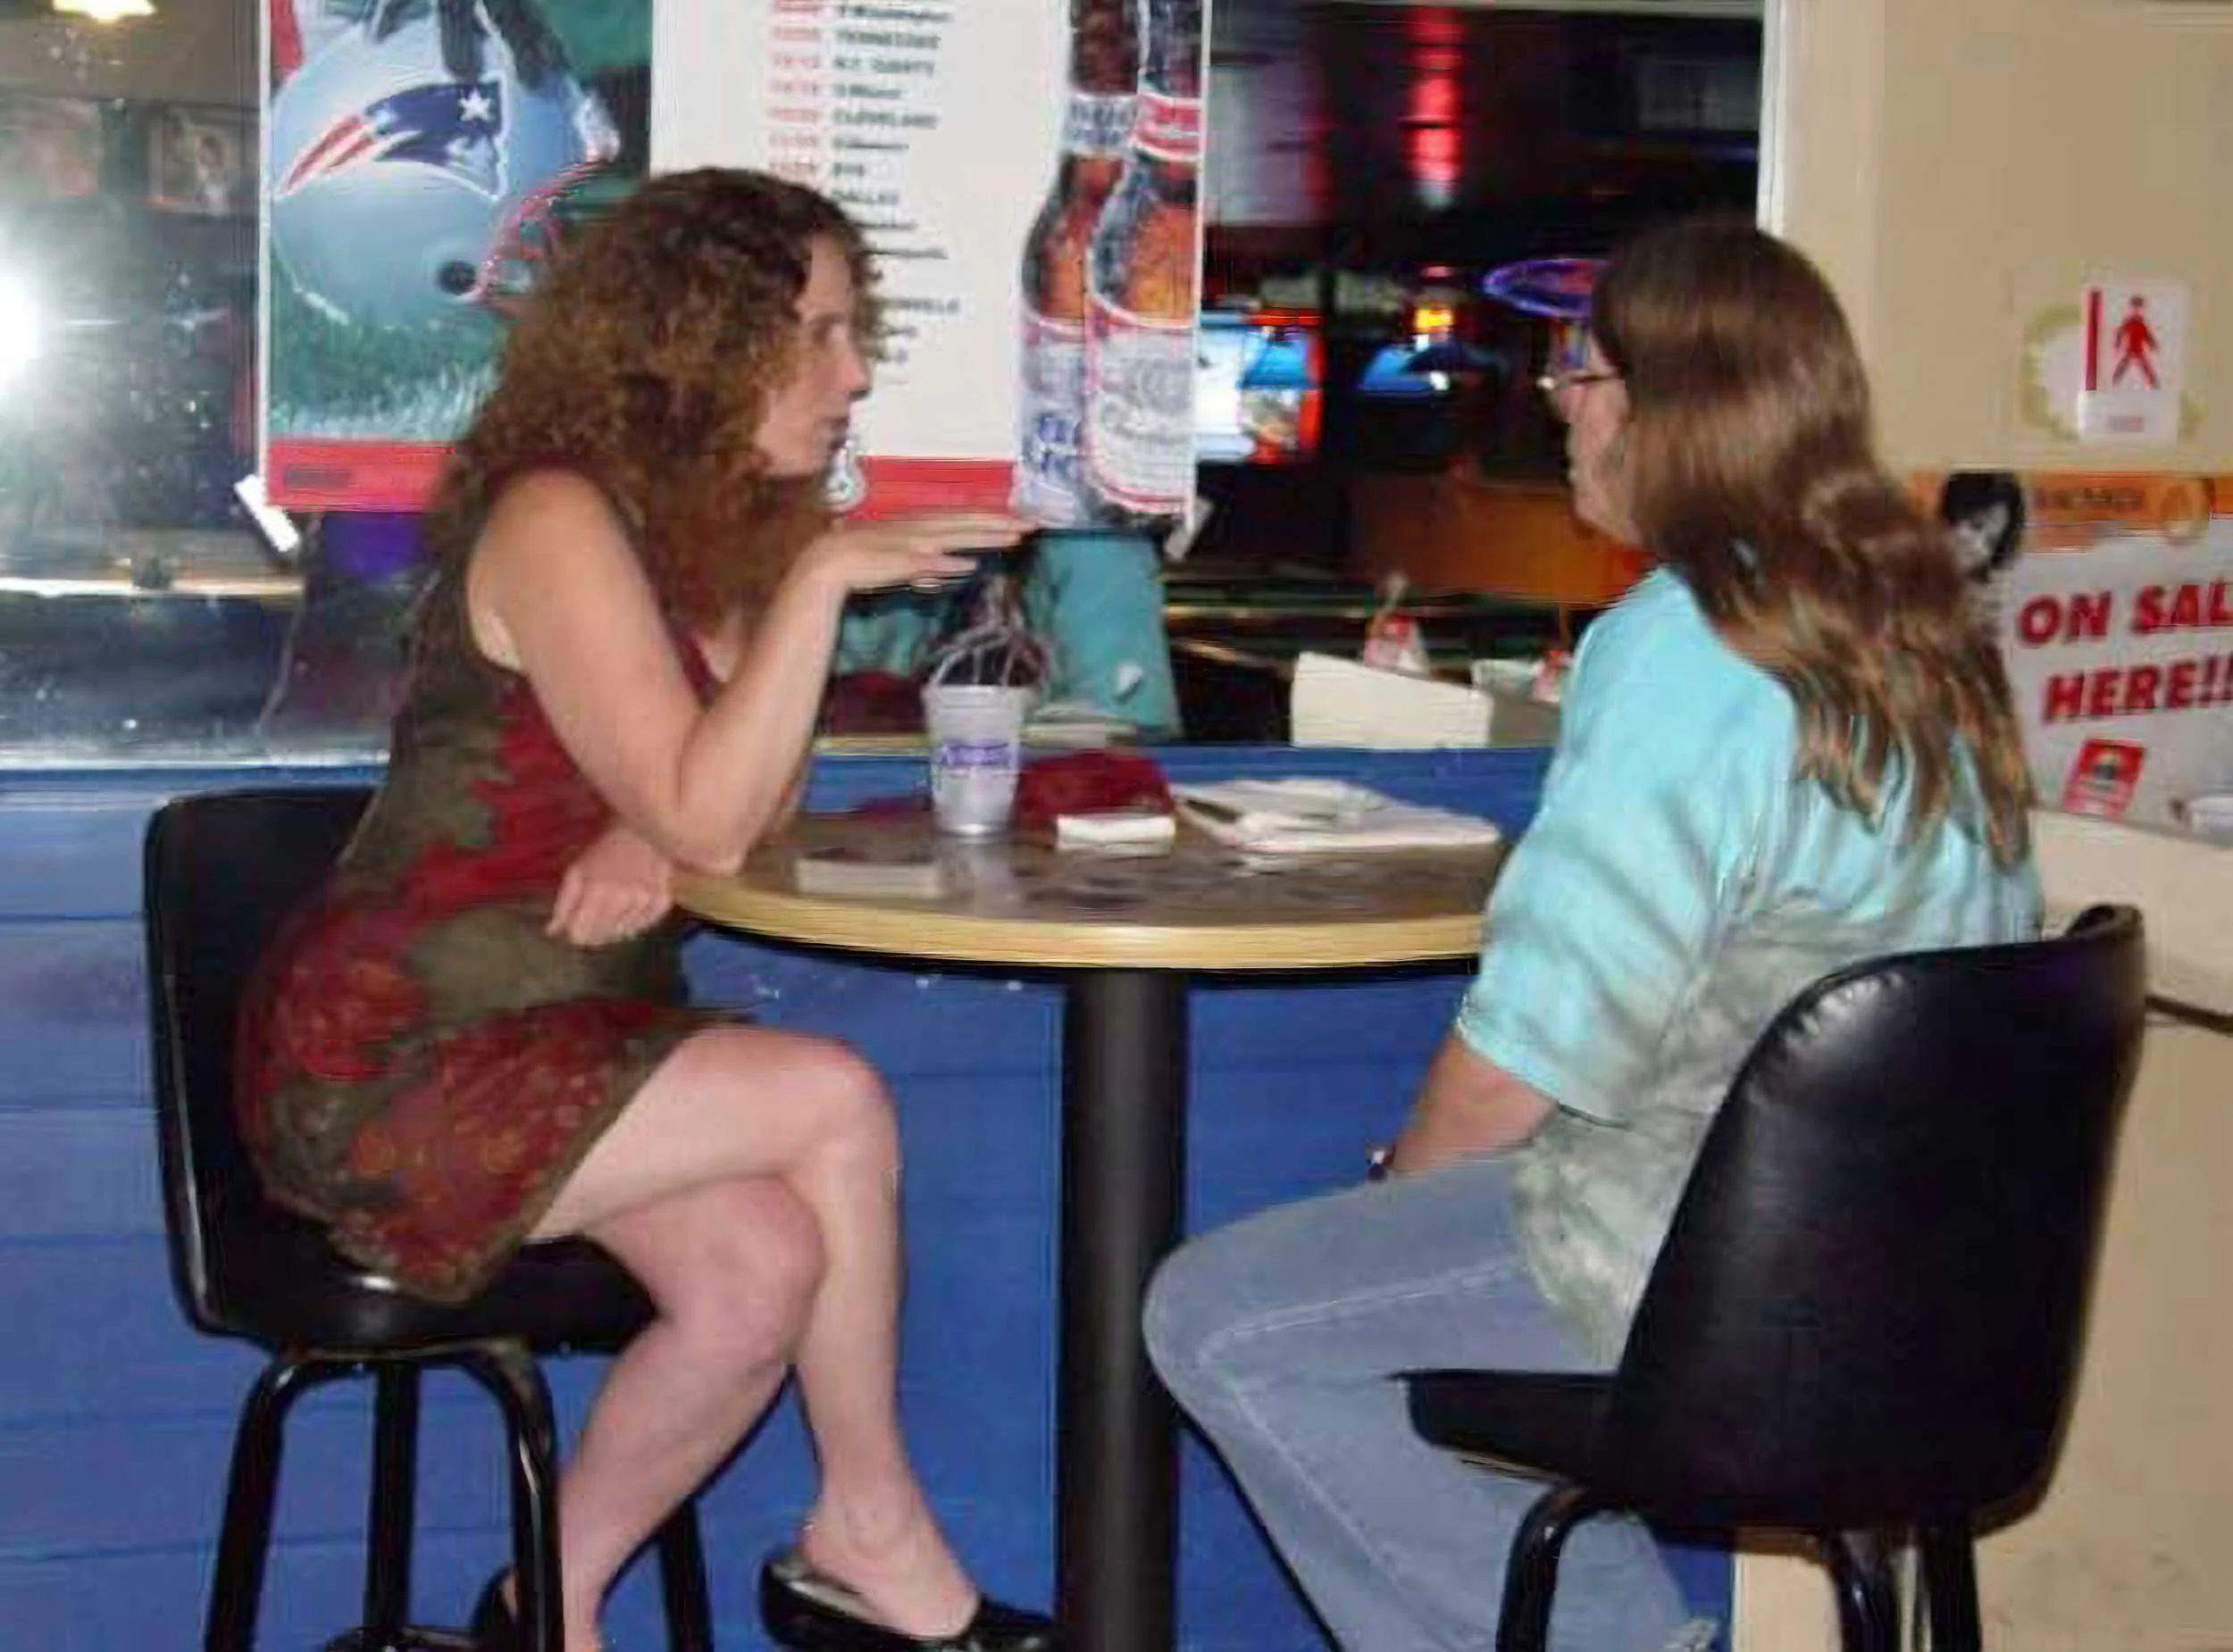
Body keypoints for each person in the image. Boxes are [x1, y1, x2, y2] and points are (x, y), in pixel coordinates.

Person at [1143, 218, 2042, 1652]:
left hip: (1699, 1269)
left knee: (1216, 1316)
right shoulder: (1920, 631)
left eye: (1587, 367)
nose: (1559, 397)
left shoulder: (1693, 643)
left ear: (1672, 408)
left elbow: (1534, 1053)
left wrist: (1396, 1193)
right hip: (1932, 1285)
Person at [234, 168, 1054, 1652]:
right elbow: (716, 805)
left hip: (560, 1028)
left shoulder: (688, 534)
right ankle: (864, 1524)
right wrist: (815, 594)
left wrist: (654, 809)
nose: (855, 370)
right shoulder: (557, 515)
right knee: (835, 1101)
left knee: (760, 1270)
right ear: (703, 342)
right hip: (402, 1052)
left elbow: (740, 798)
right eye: (820, 329)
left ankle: (547, 1606)